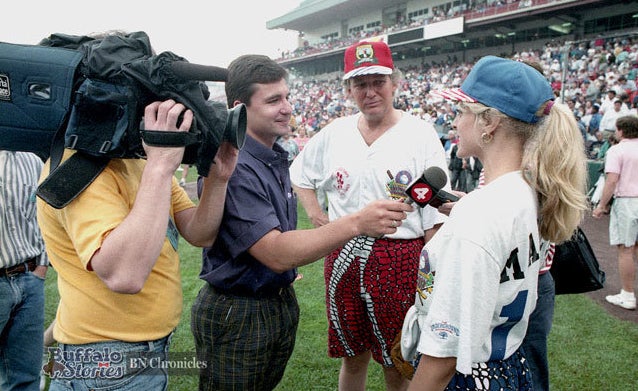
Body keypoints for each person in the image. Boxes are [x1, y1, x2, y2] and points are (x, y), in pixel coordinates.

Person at [190, 54, 413, 391]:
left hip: (270, 301)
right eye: (273, 100)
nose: (287, 108)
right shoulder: (237, 164)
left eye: (287, 97)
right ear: (240, 108)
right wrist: (356, 222)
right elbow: (277, 252)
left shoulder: (269, 156)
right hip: (239, 311)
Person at [400, 55, 588, 390]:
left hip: (471, 375)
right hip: (507, 368)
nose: (454, 123)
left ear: (488, 121)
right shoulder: (527, 191)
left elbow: (444, 354)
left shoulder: (482, 213)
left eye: (461, 113)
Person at [37, 97, 239, 390]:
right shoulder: (79, 165)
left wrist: (218, 179)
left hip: (142, 348)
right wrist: (159, 166)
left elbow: (199, 233)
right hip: (105, 356)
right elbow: (124, 275)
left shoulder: (137, 157)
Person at [290, 40, 449, 391]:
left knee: (397, 361)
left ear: (394, 83)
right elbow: (300, 175)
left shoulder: (420, 134)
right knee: (352, 355)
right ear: (349, 89)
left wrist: (431, 279)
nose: (370, 91)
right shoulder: (334, 132)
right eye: (360, 84)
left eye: (378, 81)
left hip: (401, 258)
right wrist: (318, 217)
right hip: (343, 252)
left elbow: (434, 216)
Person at [0, 151, 49, 391]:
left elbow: (46, 214)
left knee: (26, 376)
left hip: (30, 279)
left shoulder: (33, 161)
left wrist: (41, 265)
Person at [592, 115, 638, 310]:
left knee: (626, 250)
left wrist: (601, 205)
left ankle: (627, 295)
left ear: (621, 130)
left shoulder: (617, 150)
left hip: (628, 201)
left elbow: (611, 180)